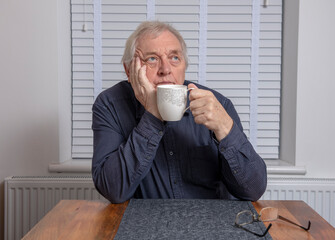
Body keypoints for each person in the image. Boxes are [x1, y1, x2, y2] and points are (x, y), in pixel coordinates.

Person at [92, 21, 267, 203]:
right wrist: (153, 115)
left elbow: (253, 190)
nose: (166, 69)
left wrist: (225, 128)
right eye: (152, 58)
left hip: (209, 223)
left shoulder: (216, 104)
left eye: (174, 58)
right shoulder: (109, 105)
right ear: (129, 71)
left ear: (184, 66)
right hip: (144, 225)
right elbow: (112, 189)